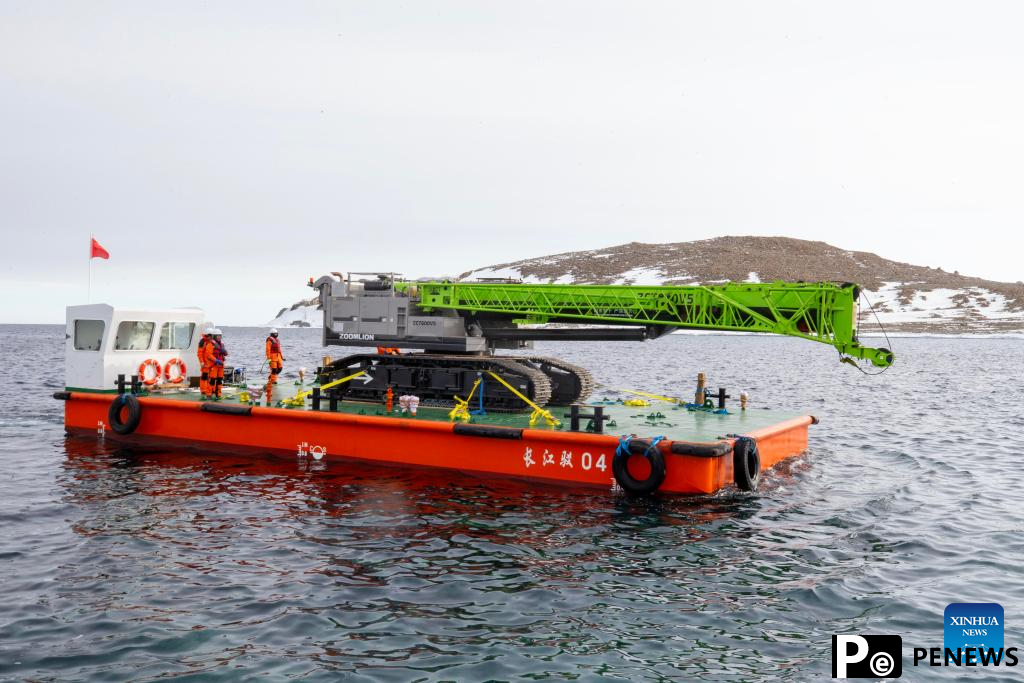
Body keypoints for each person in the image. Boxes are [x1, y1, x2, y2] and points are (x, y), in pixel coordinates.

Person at [203, 328, 228, 400]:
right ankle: (209, 394)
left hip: (221, 365)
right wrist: (216, 360)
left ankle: (218, 394)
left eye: (220, 335)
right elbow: (209, 355)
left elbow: (226, 354)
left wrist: (225, 351)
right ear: (214, 336)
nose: (219, 337)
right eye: (218, 336)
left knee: (220, 380)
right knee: (212, 380)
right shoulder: (210, 344)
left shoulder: (222, 344)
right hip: (214, 365)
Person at [196, 324, 213, 399]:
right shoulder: (203, 342)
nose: (211, 337)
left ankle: (209, 390)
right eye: (211, 335)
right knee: (204, 377)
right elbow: (199, 354)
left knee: (210, 377)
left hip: (210, 364)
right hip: (205, 364)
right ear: (208, 335)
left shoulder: (210, 342)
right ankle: (203, 390)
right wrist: (202, 362)